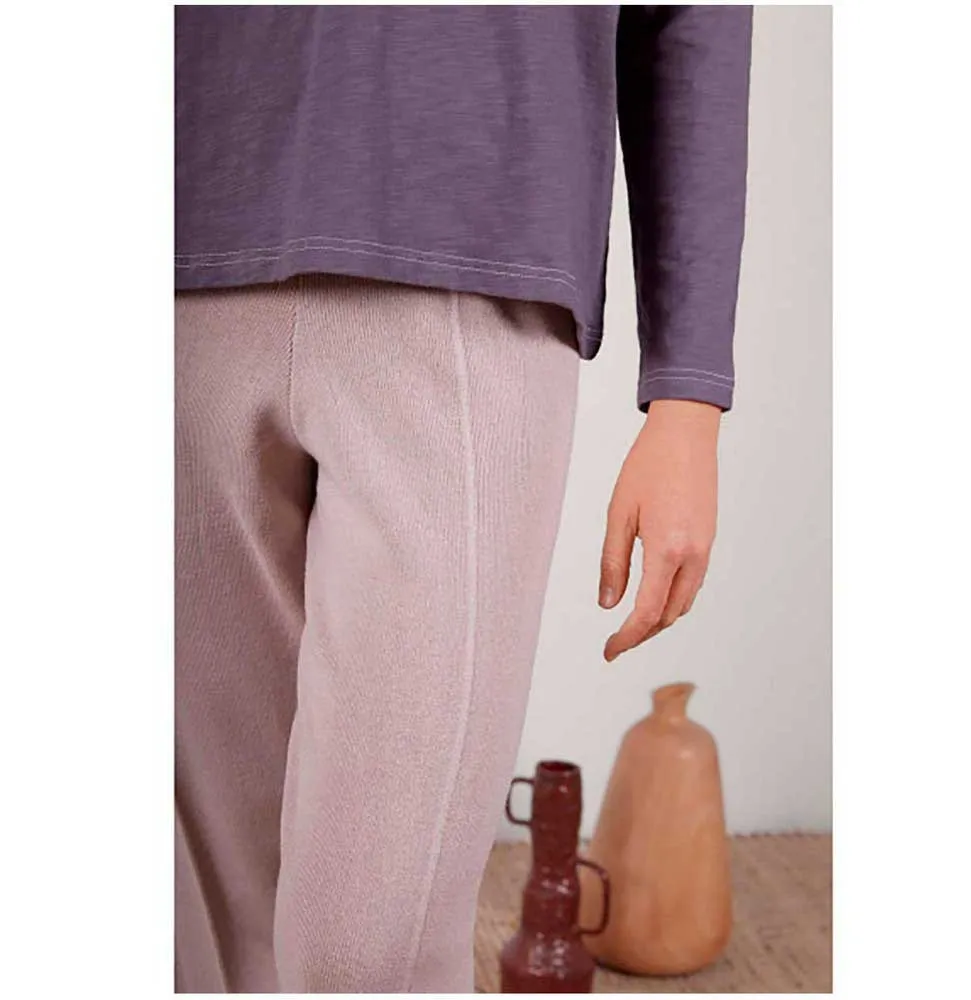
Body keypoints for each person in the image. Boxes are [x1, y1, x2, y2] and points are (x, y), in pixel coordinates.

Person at [174, 5, 752, 993]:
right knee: (210, 946)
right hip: (187, 272)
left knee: (370, 953)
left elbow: (690, 19)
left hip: (466, 257)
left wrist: (687, 398)